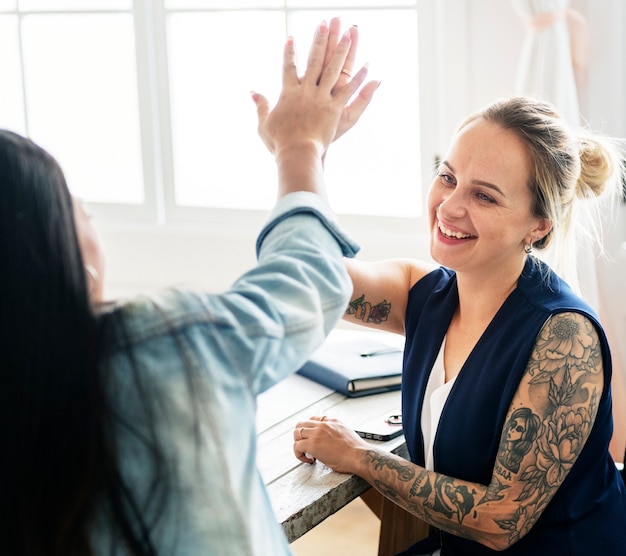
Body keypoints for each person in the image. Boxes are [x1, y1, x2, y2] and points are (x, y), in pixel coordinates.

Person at [0, 18, 379, 556]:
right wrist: (300, 148)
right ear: (63, 256)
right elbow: (305, 281)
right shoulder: (165, 345)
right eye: (78, 211)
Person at [293, 97, 626, 555]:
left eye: (484, 195)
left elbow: (499, 522)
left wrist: (359, 457)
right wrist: (307, 150)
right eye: (448, 177)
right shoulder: (423, 294)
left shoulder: (566, 338)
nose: (448, 207)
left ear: (538, 226)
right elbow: (303, 280)